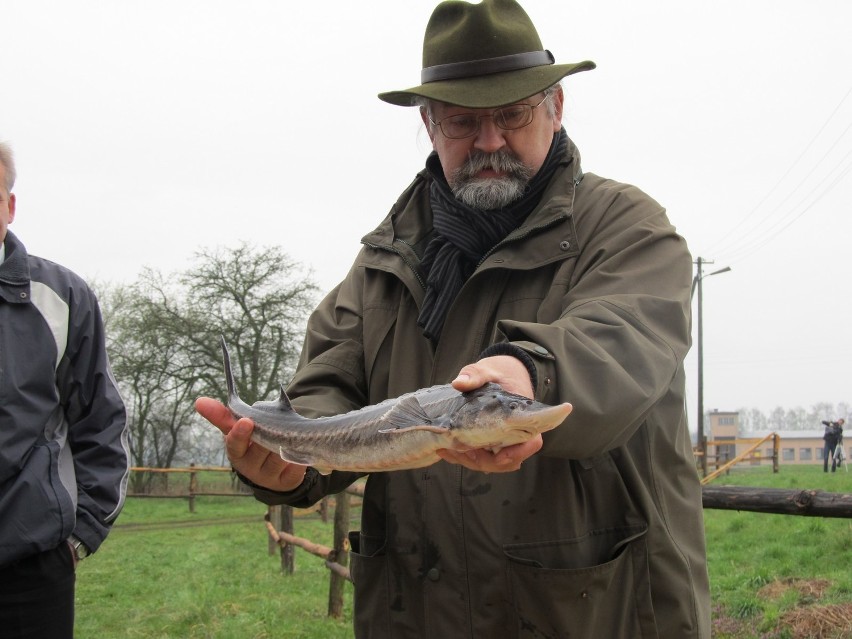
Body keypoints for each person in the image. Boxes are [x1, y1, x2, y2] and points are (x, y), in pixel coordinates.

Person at [196, 1, 711, 636]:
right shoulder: (383, 260)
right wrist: (288, 468)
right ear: (429, 123)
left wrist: (527, 375)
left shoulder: (628, 228)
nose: (489, 141)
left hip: (589, 614)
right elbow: (325, 389)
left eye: (512, 114)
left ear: (555, 106)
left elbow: (620, 343)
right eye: (464, 121)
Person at [0, 141, 130, 639]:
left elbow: (102, 421)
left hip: (30, 570)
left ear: (10, 206)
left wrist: (82, 533)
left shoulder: (62, 298)